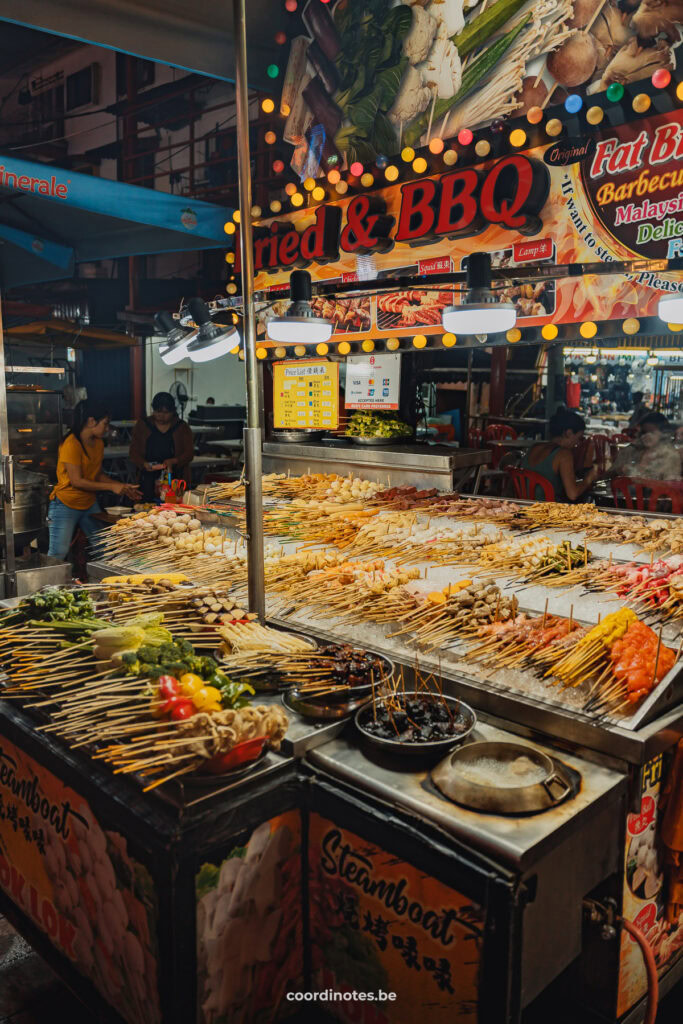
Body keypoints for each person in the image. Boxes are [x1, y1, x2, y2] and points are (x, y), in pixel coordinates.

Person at [48, 400, 141, 559]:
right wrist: (111, 487)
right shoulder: (71, 443)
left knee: (103, 548)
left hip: (89, 502)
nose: (106, 428)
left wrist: (121, 486)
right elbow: (77, 481)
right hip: (65, 504)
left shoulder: (98, 443)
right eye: (105, 423)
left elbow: (96, 475)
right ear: (91, 421)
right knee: (58, 552)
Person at [520, 409, 599, 501]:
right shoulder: (564, 454)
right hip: (547, 511)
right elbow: (573, 494)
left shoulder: (534, 447)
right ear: (568, 433)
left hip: (525, 505)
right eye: (579, 438)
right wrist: (590, 477)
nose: (578, 443)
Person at [129, 392, 194, 501]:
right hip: (147, 479)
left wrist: (174, 461)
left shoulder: (181, 427)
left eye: (166, 412)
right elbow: (133, 452)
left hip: (175, 479)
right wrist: (143, 464)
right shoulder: (143, 425)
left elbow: (189, 454)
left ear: (173, 411)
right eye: (158, 412)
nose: (161, 416)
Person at [612, 412, 681, 481]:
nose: (646, 436)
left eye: (651, 432)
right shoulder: (631, 450)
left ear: (663, 433)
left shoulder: (670, 456)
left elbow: (668, 485)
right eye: (643, 432)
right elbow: (608, 476)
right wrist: (619, 470)